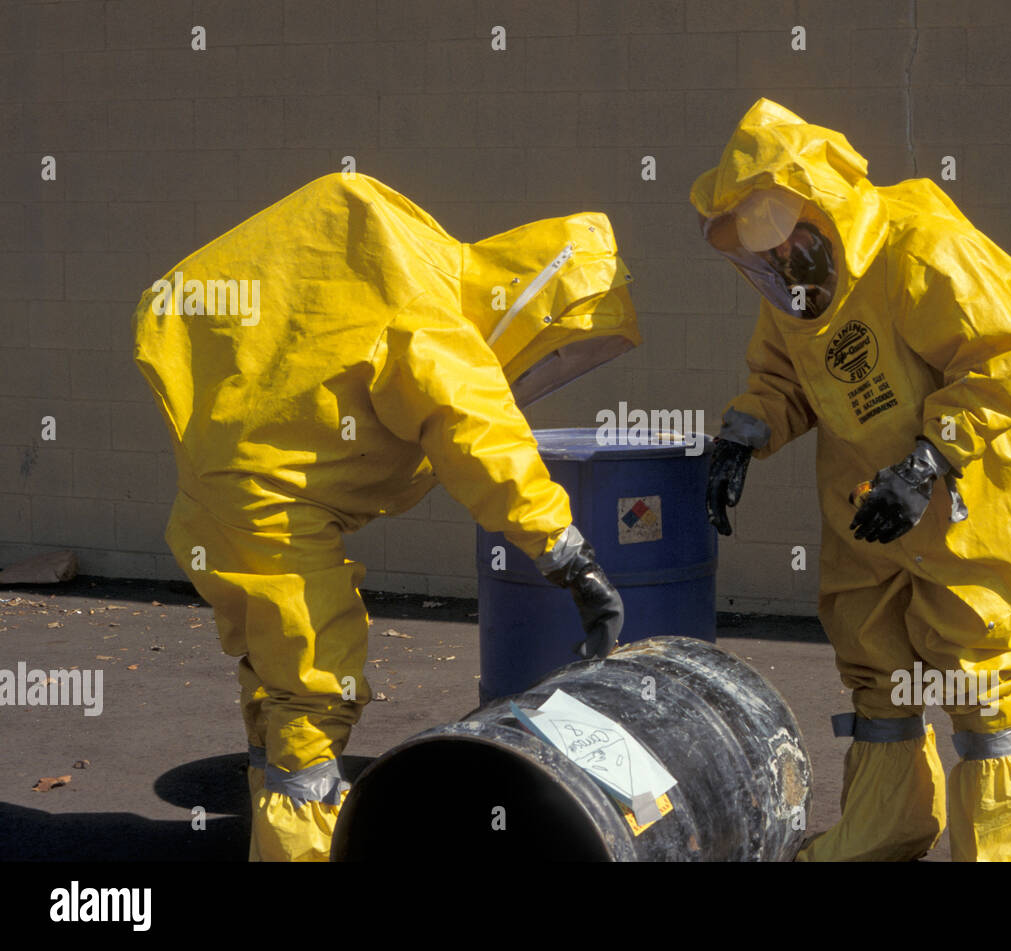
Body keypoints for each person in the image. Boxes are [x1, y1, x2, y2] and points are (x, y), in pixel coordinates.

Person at [133, 173, 640, 861]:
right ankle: (301, 850)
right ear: (530, 300)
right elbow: (482, 438)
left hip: (229, 488)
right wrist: (567, 555)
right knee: (313, 689)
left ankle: (273, 830)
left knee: (276, 675)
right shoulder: (431, 315)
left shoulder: (408, 265)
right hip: (274, 505)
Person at [696, 99, 1011, 862]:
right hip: (865, 503)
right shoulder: (795, 297)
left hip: (962, 495)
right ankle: (887, 822)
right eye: (762, 249)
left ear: (821, 207)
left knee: (978, 675)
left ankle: (1010, 846)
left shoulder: (922, 249)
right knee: (875, 661)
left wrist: (929, 460)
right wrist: (747, 430)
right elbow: (784, 380)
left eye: (787, 236)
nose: (780, 262)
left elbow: (1004, 369)